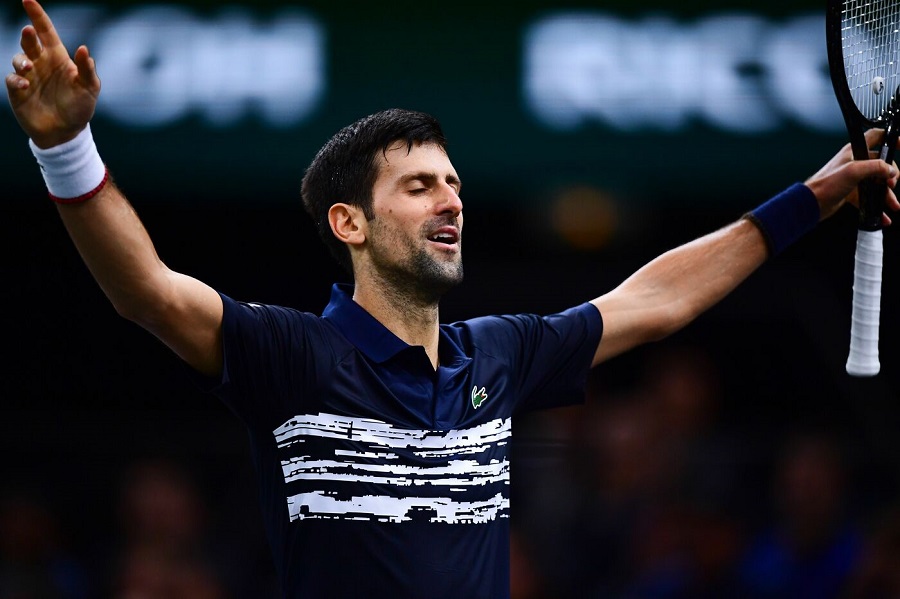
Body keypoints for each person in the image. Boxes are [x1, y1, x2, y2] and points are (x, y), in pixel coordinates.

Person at [6, 1, 899, 597]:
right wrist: (66, 150)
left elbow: (657, 298)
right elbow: (148, 292)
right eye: (421, 185)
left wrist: (813, 195)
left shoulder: (498, 354)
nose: (452, 201)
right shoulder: (291, 355)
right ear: (350, 224)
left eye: (455, 183)